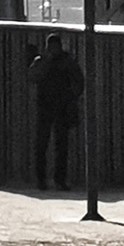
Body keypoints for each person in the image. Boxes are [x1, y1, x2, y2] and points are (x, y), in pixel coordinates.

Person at [26, 33, 84, 189]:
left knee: (61, 146)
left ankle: (59, 180)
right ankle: (42, 180)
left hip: (61, 108)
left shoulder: (67, 61)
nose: (53, 49)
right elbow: (32, 76)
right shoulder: (44, 61)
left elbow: (79, 82)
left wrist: (71, 96)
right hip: (46, 107)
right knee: (42, 145)